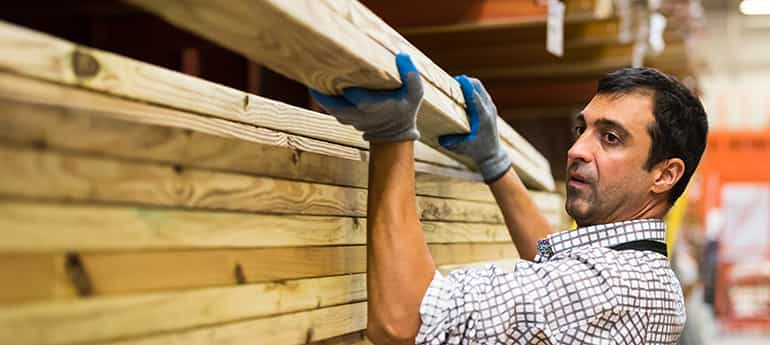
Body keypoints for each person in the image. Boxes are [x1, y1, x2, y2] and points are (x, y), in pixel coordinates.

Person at [310, 53, 708, 345]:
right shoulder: (639, 273)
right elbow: (555, 268)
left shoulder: (612, 287)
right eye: (581, 129)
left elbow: (404, 321)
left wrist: (391, 134)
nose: (577, 150)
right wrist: (496, 165)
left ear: (665, 174)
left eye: (610, 138)